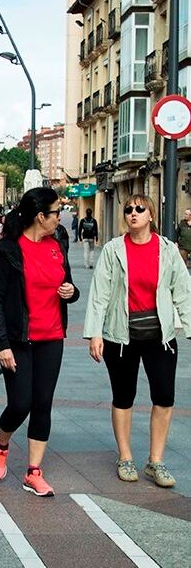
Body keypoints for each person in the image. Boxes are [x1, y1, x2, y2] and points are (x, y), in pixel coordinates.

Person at [84, 194, 191, 488]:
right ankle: (125, 456)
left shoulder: (167, 250)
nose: (133, 213)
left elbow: (183, 290)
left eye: (139, 209)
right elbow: (100, 293)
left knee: (164, 397)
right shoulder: (113, 250)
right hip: (120, 336)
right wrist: (95, 332)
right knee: (123, 397)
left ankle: (156, 461)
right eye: (129, 209)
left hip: (160, 336)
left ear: (151, 215)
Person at [0, 188, 80, 497]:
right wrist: (2, 344)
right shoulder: (8, 251)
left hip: (52, 337)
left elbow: (67, 283)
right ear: (41, 216)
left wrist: (72, 292)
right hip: (19, 339)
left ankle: (33, 472)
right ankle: (1, 444)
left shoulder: (58, 244)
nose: (59, 217)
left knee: (42, 404)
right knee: (20, 404)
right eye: (55, 212)